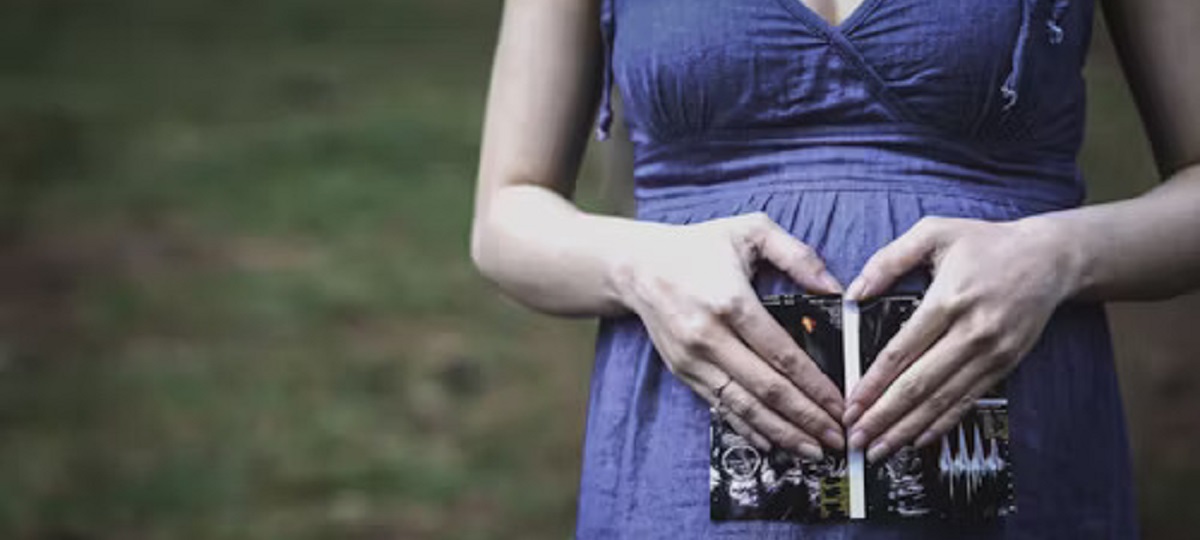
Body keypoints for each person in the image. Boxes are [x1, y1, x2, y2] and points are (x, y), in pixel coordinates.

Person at [469, 0, 1200, 537]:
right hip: (684, 475)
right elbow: (506, 216)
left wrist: (1060, 256)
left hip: (1022, 453)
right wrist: (639, 264)